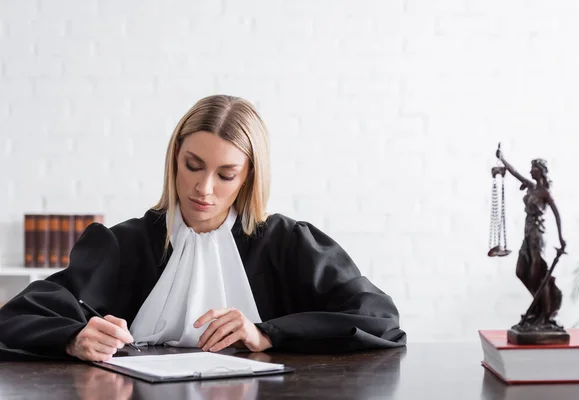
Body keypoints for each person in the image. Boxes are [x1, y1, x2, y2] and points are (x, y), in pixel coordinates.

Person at [0, 95, 406, 362]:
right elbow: (17, 316)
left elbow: (380, 317)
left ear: (248, 178)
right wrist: (75, 338)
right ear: (175, 157)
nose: (203, 188)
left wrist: (268, 334)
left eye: (226, 175)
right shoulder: (122, 246)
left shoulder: (288, 245)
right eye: (193, 165)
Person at [496, 148, 566, 328]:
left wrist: (561, 238)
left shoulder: (544, 193)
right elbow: (514, 173)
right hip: (527, 234)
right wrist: (502, 159)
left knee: (537, 273)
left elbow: (557, 214)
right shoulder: (531, 187)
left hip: (537, 235)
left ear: (540, 171)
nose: (530, 171)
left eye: (533, 168)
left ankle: (545, 313)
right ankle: (539, 306)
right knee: (521, 272)